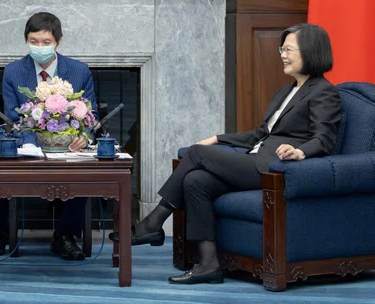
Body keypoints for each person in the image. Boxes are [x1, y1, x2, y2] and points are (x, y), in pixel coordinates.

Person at [111, 23, 342, 285]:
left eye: (288, 49)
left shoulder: (324, 92)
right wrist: (218, 138)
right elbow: (259, 134)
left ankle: (152, 224)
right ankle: (208, 264)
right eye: (282, 49)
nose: (282, 55)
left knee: (197, 153)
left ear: (311, 51)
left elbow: (324, 139)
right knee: (195, 181)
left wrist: (299, 151)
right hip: (256, 160)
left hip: (274, 169)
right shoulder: (286, 91)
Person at [0, 11, 97, 260]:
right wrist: (32, 144)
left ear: (58, 42)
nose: (39, 47)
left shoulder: (78, 70)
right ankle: (0, 236)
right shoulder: (13, 71)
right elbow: (12, 116)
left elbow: (90, 114)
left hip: (68, 146)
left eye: (46, 42)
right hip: (28, 144)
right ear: (26, 40)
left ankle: (64, 236)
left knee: (84, 172)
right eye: (34, 41)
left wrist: (84, 138)